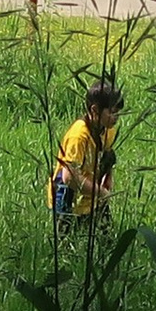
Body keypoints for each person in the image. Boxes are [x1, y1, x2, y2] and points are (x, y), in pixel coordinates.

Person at [49, 74, 124, 226]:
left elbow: (107, 154)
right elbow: (69, 177)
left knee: (105, 242)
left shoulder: (108, 130)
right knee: (69, 245)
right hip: (69, 199)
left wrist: (108, 177)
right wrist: (100, 192)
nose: (116, 117)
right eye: (112, 112)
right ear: (95, 110)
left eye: (118, 112)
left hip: (92, 196)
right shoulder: (79, 135)